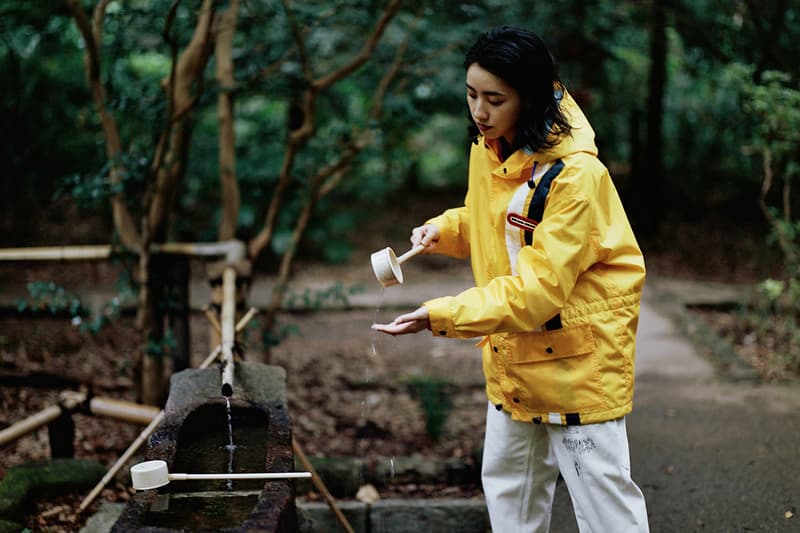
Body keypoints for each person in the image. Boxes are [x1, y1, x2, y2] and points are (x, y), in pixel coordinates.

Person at [372, 26, 650, 532]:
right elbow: (497, 221)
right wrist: (446, 228)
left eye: (494, 99)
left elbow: (537, 291)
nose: (479, 111)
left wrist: (440, 314)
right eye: (472, 95)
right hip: (514, 355)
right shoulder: (492, 145)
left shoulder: (575, 176)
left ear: (532, 96)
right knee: (510, 497)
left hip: (577, 360)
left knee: (604, 507)